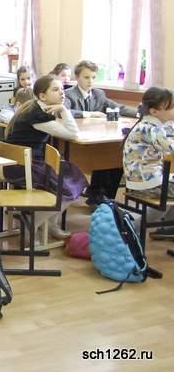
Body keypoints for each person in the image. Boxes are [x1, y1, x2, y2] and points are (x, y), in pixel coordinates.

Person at [5, 75, 89, 239]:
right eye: (56, 90)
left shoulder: (36, 108)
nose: (62, 93)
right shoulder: (37, 116)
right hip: (24, 167)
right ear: (43, 96)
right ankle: (33, 223)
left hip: (24, 162)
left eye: (62, 89)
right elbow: (73, 134)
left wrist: (62, 110)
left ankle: (51, 223)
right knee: (70, 185)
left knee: (72, 174)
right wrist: (64, 110)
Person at [64, 60, 138, 205]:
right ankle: (96, 194)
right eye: (86, 77)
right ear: (77, 77)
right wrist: (90, 114)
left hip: (97, 138)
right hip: (78, 141)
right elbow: (65, 111)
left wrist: (139, 113)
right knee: (102, 158)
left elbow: (118, 107)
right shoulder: (68, 94)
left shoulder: (99, 94)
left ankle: (105, 197)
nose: (90, 81)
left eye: (93, 77)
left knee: (113, 158)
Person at [123, 87, 174, 239]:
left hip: (147, 180)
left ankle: (168, 226)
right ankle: (132, 228)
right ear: (154, 111)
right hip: (148, 183)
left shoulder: (152, 124)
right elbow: (170, 147)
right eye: (171, 107)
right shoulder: (149, 128)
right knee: (164, 199)